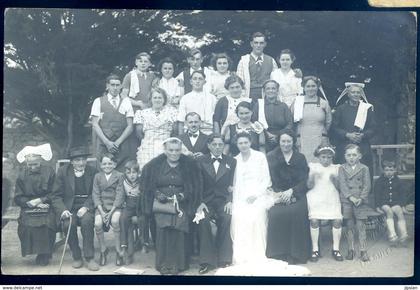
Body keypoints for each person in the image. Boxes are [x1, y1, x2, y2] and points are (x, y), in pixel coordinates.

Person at [216, 132, 310, 276]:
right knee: (239, 216)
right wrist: (236, 198)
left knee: (256, 215)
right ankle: (243, 255)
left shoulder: (260, 157)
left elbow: (266, 179)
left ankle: (259, 252)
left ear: (251, 142)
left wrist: (256, 195)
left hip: (259, 194)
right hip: (240, 195)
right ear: (236, 144)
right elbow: (234, 183)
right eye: (240, 143)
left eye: (246, 142)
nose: (243, 145)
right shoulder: (235, 160)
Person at [141, 137, 202, 275]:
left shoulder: (189, 166)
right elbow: (148, 186)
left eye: (177, 150)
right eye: (171, 150)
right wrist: (157, 194)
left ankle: (179, 264)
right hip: (161, 204)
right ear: (165, 150)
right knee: (163, 229)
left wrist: (182, 196)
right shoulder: (155, 166)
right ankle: (163, 264)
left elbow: (194, 187)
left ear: (181, 150)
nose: (174, 153)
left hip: (182, 204)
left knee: (179, 229)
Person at [266, 129, 311, 264]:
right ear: (279, 142)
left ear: (293, 142)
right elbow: (269, 179)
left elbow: (305, 180)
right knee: (276, 213)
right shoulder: (271, 156)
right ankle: (278, 253)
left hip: (297, 192)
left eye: (289, 141)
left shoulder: (300, 157)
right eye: (283, 141)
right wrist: (279, 193)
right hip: (278, 193)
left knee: (297, 212)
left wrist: (292, 191)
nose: (286, 144)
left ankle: (296, 253)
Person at [51, 146, 99, 271]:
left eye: (83, 159)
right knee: (68, 225)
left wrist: (87, 207)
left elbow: (95, 193)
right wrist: (63, 210)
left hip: (86, 205)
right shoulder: (62, 171)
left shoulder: (93, 171)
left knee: (87, 221)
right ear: (71, 161)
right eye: (77, 160)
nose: (81, 163)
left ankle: (89, 257)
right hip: (69, 207)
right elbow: (55, 195)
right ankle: (77, 256)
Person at [194, 134, 236, 274]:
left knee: (227, 218)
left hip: (223, 201)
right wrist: (199, 202)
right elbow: (197, 185)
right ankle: (206, 261)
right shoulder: (200, 161)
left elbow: (234, 184)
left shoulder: (231, 161)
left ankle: (224, 258)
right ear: (209, 146)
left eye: (220, 144)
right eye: (214, 144)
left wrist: (230, 200)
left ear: (223, 146)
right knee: (202, 220)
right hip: (205, 202)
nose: (217, 147)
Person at [14, 143, 56, 266]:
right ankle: (33, 251)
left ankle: (44, 254)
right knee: (25, 225)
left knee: (47, 224)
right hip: (28, 205)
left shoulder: (49, 171)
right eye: (29, 165)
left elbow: (55, 192)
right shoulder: (22, 174)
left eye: (35, 164)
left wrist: (41, 200)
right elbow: (18, 197)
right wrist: (30, 203)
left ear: (41, 161)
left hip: (47, 203)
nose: (32, 167)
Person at [90, 74, 137, 171]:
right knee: (103, 172)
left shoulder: (126, 101)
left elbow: (130, 126)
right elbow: (95, 124)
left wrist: (117, 143)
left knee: (122, 173)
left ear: (120, 86)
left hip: (122, 144)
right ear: (107, 86)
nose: (115, 88)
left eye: (117, 85)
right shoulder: (98, 101)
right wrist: (107, 142)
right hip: (104, 144)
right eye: (112, 85)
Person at [306, 144, 343, 262]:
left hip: (331, 197)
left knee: (337, 220)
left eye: (328, 157)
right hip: (316, 197)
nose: (326, 160)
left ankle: (336, 249)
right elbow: (309, 186)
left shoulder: (336, 168)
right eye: (323, 157)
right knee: (314, 220)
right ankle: (315, 249)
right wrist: (312, 177)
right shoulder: (313, 167)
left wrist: (335, 180)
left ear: (332, 157)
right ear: (319, 157)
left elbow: (340, 188)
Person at [332, 82, 376, 178]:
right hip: (344, 145)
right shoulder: (340, 109)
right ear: (348, 94)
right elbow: (334, 128)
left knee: (364, 174)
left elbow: (373, 128)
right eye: (353, 92)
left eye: (358, 92)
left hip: (362, 146)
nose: (355, 94)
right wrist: (347, 134)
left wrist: (362, 135)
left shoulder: (367, 109)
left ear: (361, 94)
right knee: (344, 175)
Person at [338, 144, 372, 262]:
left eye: (354, 155)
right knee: (349, 226)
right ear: (345, 156)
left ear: (359, 156)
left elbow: (367, 185)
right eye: (349, 155)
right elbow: (342, 185)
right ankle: (350, 249)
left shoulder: (364, 168)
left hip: (360, 202)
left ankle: (363, 250)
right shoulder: (342, 168)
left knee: (361, 226)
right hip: (347, 201)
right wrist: (351, 197)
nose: (351, 157)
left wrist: (361, 198)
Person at [92, 153, 125, 266]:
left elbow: (120, 194)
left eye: (110, 163)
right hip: (101, 207)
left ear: (115, 164)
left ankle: (118, 251)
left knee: (115, 221)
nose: (107, 166)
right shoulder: (97, 176)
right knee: (97, 223)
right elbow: (95, 194)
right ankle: (103, 250)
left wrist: (110, 213)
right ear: (101, 165)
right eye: (104, 163)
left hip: (115, 207)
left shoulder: (120, 175)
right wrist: (101, 211)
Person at [134, 87, 177, 170]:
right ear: (151, 99)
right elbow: (139, 133)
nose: (157, 100)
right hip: (148, 145)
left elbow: (175, 131)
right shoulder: (142, 113)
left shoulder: (172, 112)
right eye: (155, 97)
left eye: (160, 97)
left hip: (166, 145)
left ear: (164, 99)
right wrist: (148, 141)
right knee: (147, 169)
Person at [291, 76, 332, 163]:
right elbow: (291, 121)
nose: (311, 89)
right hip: (302, 139)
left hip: (319, 139)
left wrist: (323, 134)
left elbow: (328, 122)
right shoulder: (297, 102)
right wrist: (296, 137)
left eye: (313, 86)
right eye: (308, 86)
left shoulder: (324, 103)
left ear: (317, 87)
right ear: (304, 87)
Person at [251, 80, 293, 153]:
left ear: (277, 91)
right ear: (264, 91)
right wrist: (267, 134)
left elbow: (289, 123)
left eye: (273, 88)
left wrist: (278, 135)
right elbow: (254, 122)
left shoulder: (283, 106)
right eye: (268, 88)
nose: (271, 91)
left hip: (282, 140)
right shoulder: (259, 105)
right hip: (262, 139)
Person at [374, 159, 409, 246]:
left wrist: (403, 206)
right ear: (383, 170)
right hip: (384, 203)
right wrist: (377, 207)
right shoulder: (379, 181)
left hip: (395, 202)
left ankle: (403, 234)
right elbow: (377, 194)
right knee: (389, 212)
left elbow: (402, 194)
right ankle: (392, 234)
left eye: (391, 170)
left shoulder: (398, 181)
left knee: (399, 212)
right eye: (386, 170)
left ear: (395, 170)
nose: (389, 172)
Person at [236, 32, 278, 100]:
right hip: (249, 95)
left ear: (265, 44)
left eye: (261, 43)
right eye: (256, 43)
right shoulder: (244, 61)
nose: (258, 45)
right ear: (251, 44)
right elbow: (239, 81)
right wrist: (243, 98)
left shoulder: (271, 60)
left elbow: (276, 80)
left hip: (266, 96)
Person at [119, 160, 144, 265]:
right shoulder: (123, 181)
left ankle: (143, 242)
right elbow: (121, 195)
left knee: (143, 219)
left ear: (138, 173)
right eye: (129, 173)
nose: (131, 175)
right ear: (125, 173)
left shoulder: (141, 181)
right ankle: (124, 246)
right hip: (129, 205)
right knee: (123, 219)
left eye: (134, 172)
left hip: (140, 205)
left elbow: (144, 195)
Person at [177, 70, 217, 135]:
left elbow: (216, 120)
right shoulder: (185, 98)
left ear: (204, 82)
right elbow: (181, 121)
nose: (197, 81)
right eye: (195, 79)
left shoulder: (212, 98)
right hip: (189, 132)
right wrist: (182, 138)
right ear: (191, 82)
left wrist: (215, 135)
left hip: (207, 131)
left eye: (200, 79)